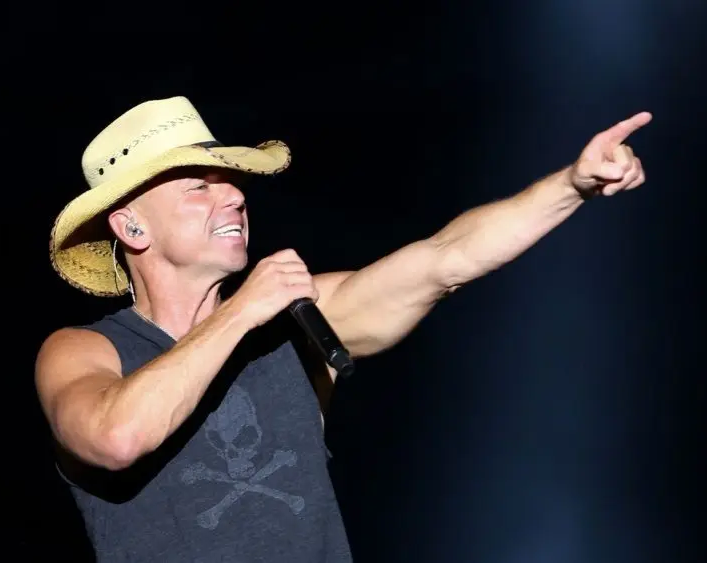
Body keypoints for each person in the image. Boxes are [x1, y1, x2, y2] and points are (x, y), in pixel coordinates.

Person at [35, 96, 650, 561]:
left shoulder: (295, 318)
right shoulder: (84, 351)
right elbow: (117, 438)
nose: (235, 200)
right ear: (132, 227)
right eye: (200, 186)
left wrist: (571, 185)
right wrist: (240, 312)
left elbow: (445, 259)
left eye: (234, 185)